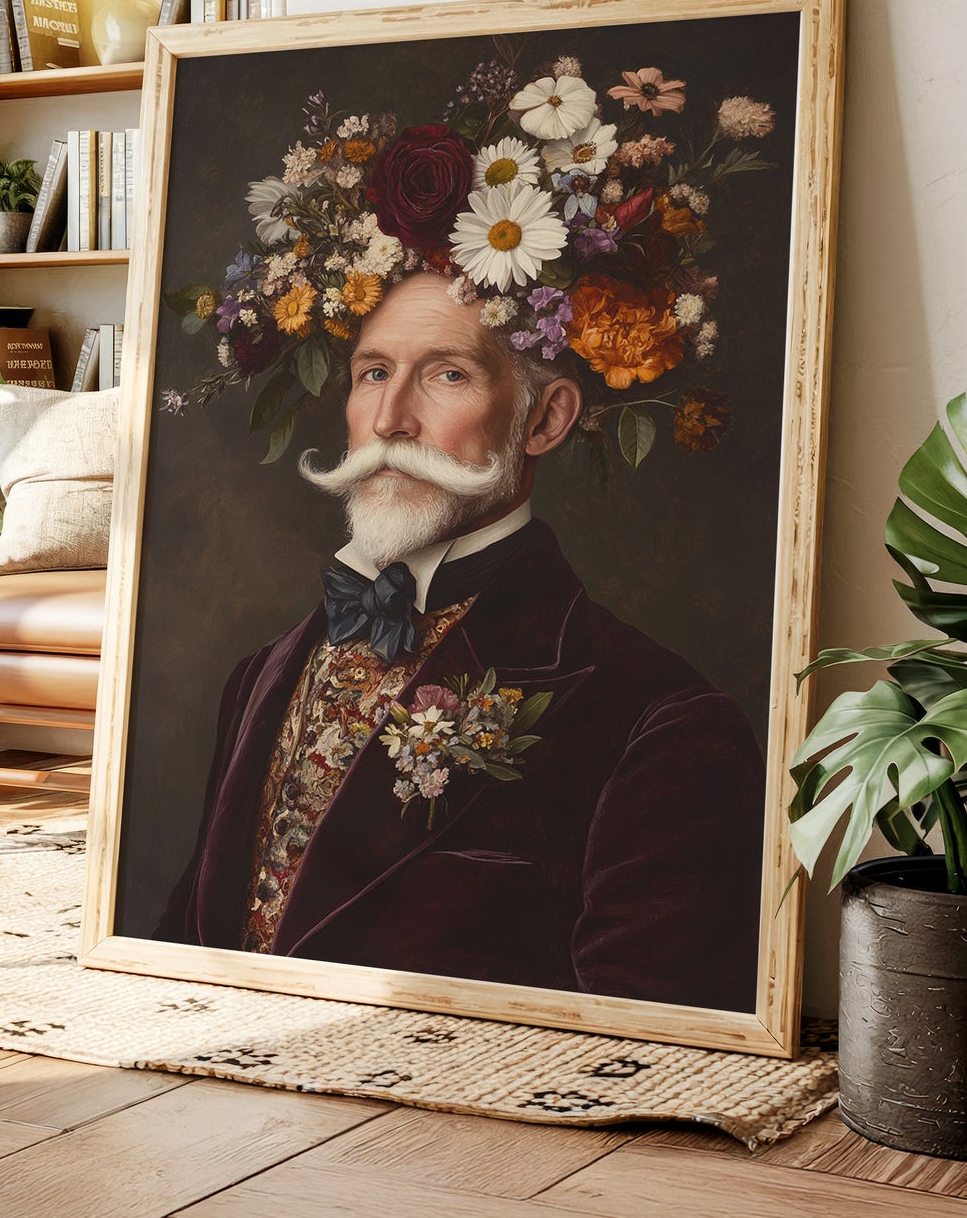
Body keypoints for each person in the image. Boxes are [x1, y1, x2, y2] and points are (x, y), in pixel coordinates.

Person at [156, 271, 765, 1012]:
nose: (388, 420)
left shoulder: (661, 720)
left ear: (544, 418)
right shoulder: (260, 674)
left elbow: (652, 1043)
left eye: (447, 374)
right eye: (372, 373)